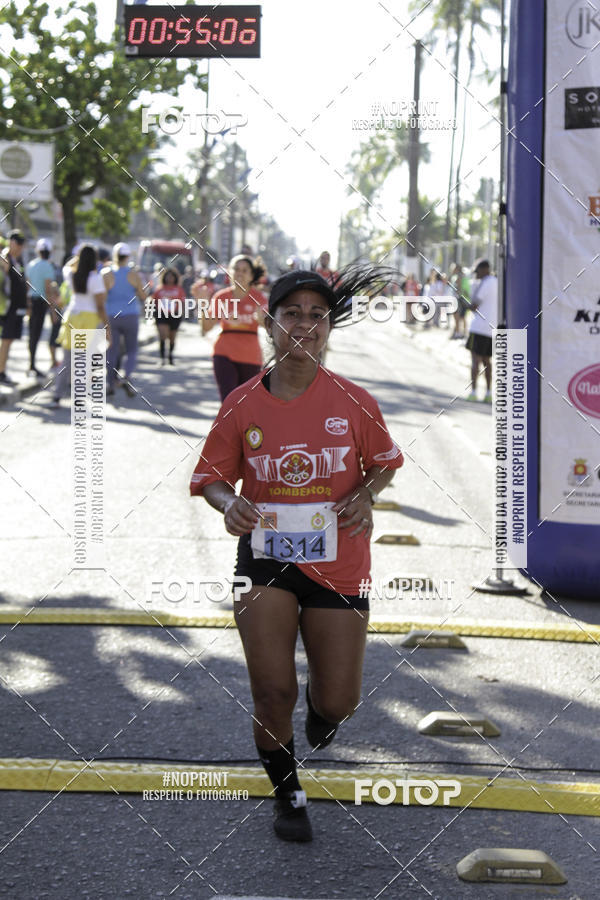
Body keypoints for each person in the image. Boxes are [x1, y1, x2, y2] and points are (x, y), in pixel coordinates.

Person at [190, 266, 404, 842]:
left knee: (339, 702)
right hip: (265, 562)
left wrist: (364, 494)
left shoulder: (354, 401)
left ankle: (321, 709)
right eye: (292, 314)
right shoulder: (241, 404)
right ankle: (289, 795)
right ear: (270, 323)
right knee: (270, 690)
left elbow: (384, 462)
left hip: (340, 565)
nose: (304, 326)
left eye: (317, 316)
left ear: (329, 327)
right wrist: (225, 502)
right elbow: (209, 478)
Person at [201, 254, 267, 401]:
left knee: (245, 403)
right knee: (228, 400)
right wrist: (203, 303)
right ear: (230, 272)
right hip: (223, 353)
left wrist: (262, 320)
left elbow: (270, 328)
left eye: (244, 270)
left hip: (250, 357)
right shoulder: (221, 297)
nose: (240, 273)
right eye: (236, 269)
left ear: (251, 275)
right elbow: (206, 327)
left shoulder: (259, 298)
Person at [51, 245, 109, 407]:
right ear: (94, 260)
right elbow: (100, 306)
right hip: (89, 319)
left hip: (72, 316)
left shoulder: (71, 274)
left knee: (67, 360)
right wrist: (107, 327)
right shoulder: (95, 279)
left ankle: (57, 395)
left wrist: (79, 255)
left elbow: (67, 266)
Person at [103, 242, 146, 398]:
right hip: (130, 315)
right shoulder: (133, 274)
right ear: (127, 256)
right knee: (132, 349)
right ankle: (126, 377)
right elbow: (142, 296)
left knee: (111, 350)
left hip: (111, 316)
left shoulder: (106, 274)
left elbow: (102, 297)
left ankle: (110, 383)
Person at [466, 259, 497, 402]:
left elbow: (474, 305)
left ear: (484, 269)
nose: (476, 274)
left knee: (475, 361)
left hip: (479, 327)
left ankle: (473, 392)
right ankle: (489, 393)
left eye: (477, 271)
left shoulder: (485, 283)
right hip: (492, 328)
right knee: (487, 361)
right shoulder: (497, 282)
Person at [0, 230, 28, 385]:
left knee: (9, 339)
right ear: (12, 243)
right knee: (6, 339)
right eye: (18, 244)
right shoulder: (5, 258)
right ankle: (1, 372)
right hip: (7, 306)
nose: (20, 247)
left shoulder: (19, 260)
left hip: (17, 306)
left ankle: (2, 370)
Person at [26, 237, 56, 376]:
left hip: (31, 302)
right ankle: (32, 365)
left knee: (32, 334)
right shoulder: (47, 266)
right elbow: (48, 289)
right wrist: (53, 310)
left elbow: (27, 285)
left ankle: (31, 364)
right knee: (35, 334)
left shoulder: (31, 264)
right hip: (40, 303)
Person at [152, 267, 186, 365]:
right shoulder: (159, 289)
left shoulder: (179, 289)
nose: (170, 278)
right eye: (168, 276)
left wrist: (182, 312)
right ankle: (162, 357)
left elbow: (182, 302)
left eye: (172, 276)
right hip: (161, 314)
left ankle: (170, 356)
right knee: (163, 335)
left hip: (174, 315)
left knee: (172, 337)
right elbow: (153, 301)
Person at [450, 263, 470, 339]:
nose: (452, 270)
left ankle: (458, 333)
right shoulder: (463, 276)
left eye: (453, 268)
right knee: (462, 317)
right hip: (463, 299)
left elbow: (459, 289)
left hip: (459, 299)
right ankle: (463, 333)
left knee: (458, 317)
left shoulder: (459, 276)